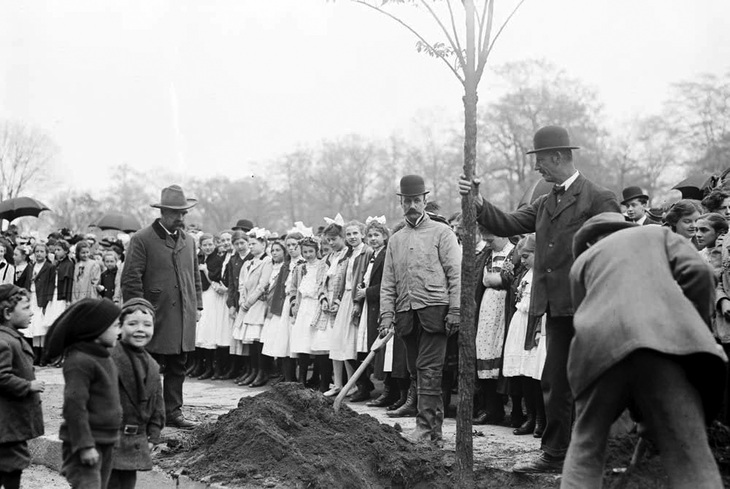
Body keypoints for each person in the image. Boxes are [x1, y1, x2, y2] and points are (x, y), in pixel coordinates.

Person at [458, 125, 620, 472]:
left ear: (559, 157)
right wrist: (479, 203)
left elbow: (615, 252)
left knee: (593, 380)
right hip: (555, 308)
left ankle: (600, 452)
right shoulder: (545, 202)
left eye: (541, 160)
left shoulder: (598, 198)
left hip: (590, 305)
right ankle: (556, 453)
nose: (537, 168)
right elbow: (508, 222)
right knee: (555, 380)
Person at [561, 213, 726, 488]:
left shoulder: (582, 262)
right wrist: (692, 324)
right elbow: (700, 272)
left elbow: (582, 319)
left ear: (590, 242)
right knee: (690, 454)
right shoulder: (656, 235)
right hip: (662, 345)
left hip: (598, 351)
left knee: (585, 446)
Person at [380, 174, 461, 445]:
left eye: (417, 200)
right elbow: (388, 281)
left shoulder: (442, 233)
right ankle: (434, 434)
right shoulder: (396, 239)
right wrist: (387, 315)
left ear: (425, 200)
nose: (412, 205)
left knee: (429, 370)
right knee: (416, 370)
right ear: (401, 203)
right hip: (406, 314)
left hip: (435, 312)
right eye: (407, 201)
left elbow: (456, 274)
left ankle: (425, 431)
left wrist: (456, 310)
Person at [121, 184, 203, 429]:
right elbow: (131, 279)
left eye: (184, 213)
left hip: (182, 314)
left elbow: (195, 276)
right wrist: (138, 312)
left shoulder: (189, 242)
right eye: (176, 213)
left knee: (178, 365)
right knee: (148, 365)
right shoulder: (142, 239)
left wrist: (197, 304)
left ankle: (173, 412)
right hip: (154, 315)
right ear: (163, 212)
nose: (181, 218)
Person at [45, 298, 122, 489]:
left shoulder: (105, 357)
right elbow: (74, 406)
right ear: (96, 329)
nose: (119, 332)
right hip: (84, 445)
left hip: (105, 440)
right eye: (115, 326)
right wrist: (85, 446)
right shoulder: (80, 361)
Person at [108, 299, 165, 489]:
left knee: (127, 484)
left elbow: (157, 403)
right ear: (119, 327)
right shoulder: (109, 358)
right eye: (132, 324)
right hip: (108, 441)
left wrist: (153, 434)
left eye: (147, 325)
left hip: (135, 442)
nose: (140, 329)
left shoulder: (153, 366)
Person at [0, 285, 45, 489]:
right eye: (26, 308)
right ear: (8, 313)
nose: (32, 312)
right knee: (12, 466)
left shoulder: (11, 338)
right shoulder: (4, 342)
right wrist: (28, 385)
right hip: (8, 423)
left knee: (10, 465)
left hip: (10, 424)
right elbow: (1, 376)